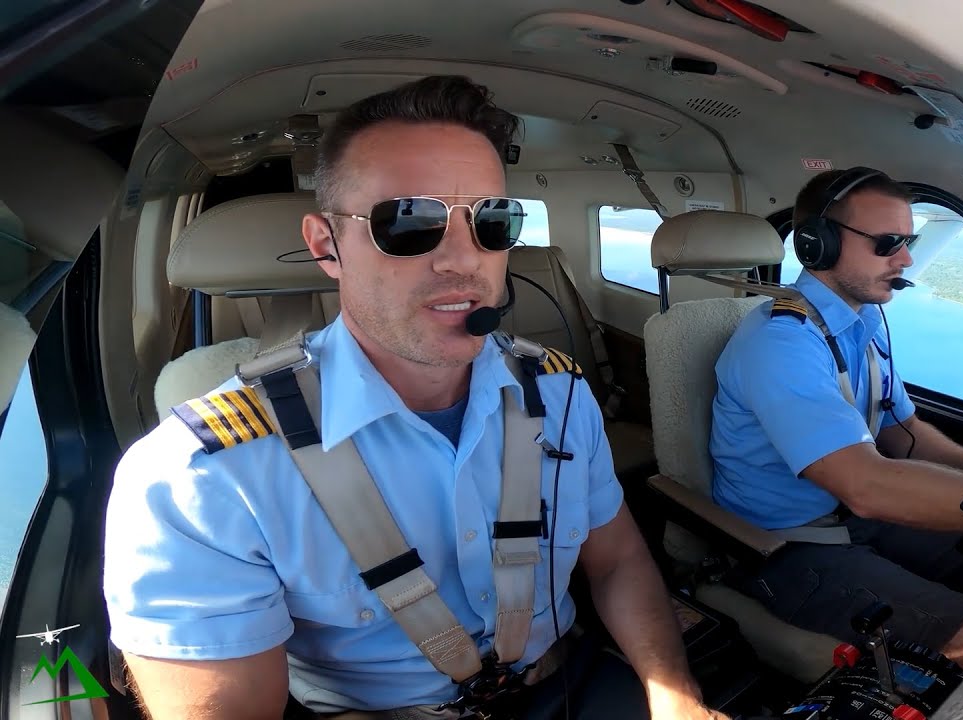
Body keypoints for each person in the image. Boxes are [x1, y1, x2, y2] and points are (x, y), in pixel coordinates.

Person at [103, 75, 725, 720]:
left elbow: (618, 560)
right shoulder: (200, 477)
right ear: (326, 245)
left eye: (492, 222)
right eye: (408, 221)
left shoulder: (558, 394)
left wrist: (674, 697)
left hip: (568, 683)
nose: (463, 260)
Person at [707, 167, 963, 671]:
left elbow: (903, 432)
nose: (906, 258)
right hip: (788, 547)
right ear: (817, 244)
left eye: (908, 241)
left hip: (863, 522)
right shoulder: (780, 343)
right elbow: (867, 486)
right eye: (888, 243)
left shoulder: (862, 321)